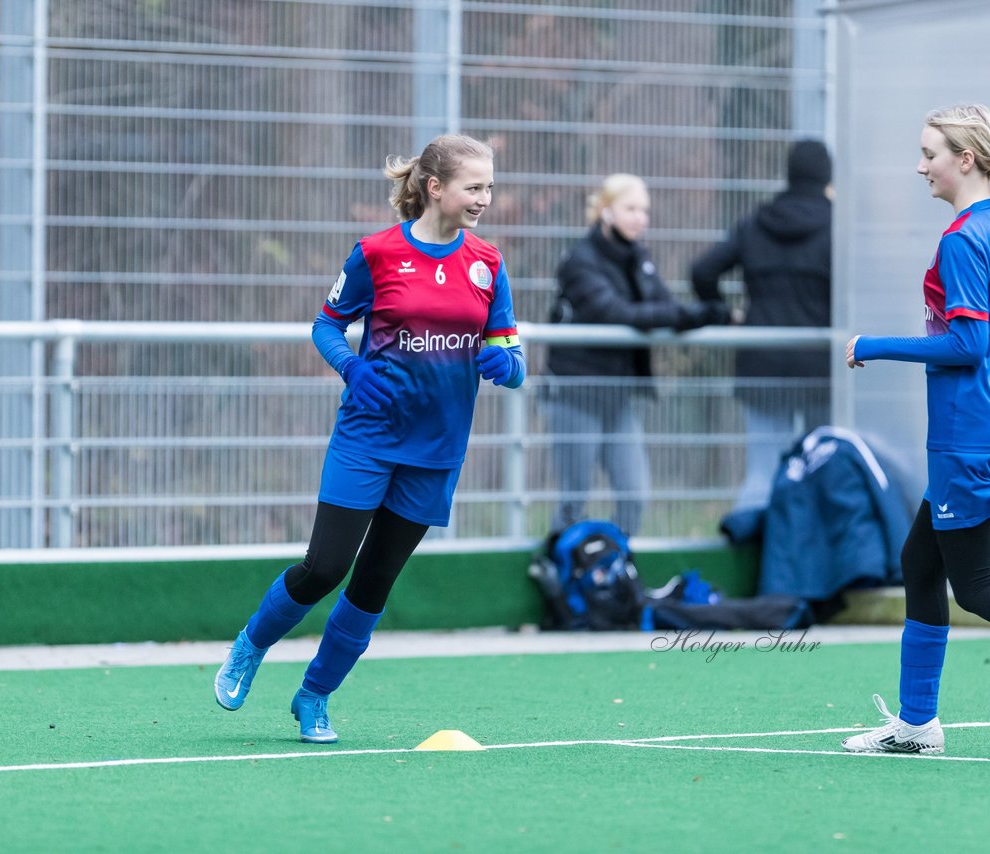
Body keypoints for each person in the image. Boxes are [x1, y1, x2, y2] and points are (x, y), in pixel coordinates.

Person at [212, 134, 525, 744]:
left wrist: (506, 367)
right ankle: (251, 646)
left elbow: (510, 353)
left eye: (489, 186)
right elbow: (326, 326)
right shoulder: (377, 253)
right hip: (367, 437)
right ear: (435, 188)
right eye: (474, 186)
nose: (485, 198)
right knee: (325, 566)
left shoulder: (487, 263)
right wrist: (353, 368)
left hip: (436, 451)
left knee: (375, 581)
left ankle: (315, 696)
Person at [842, 104, 990, 754]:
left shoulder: (963, 238)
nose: (919, 165)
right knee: (919, 559)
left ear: (965, 159)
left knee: (978, 585)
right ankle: (916, 724)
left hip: (969, 432)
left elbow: (965, 343)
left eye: (930, 152)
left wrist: (871, 344)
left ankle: (915, 724)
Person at [546, 173, 725, 536]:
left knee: (634, 494)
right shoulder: (580, 260)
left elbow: (664, 307)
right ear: (605, 211)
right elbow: (617, 314)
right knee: (574, 496)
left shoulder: (638, 257)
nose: (640, 217)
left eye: (644, 210)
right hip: (575, 393)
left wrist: (701, 314)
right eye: (630, 208)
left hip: (618, 396)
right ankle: (558, 570)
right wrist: (695, 314)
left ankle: (615, 573)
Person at [690, 139, 833, 511]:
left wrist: (726, 314)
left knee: (762, 469)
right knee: (824, 464)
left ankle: (753, 555)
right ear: (827, 175)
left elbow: (702, 270)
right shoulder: (836, 226)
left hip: (761, 361)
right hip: (819, 366)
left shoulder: (756, 222)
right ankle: (815, 555)